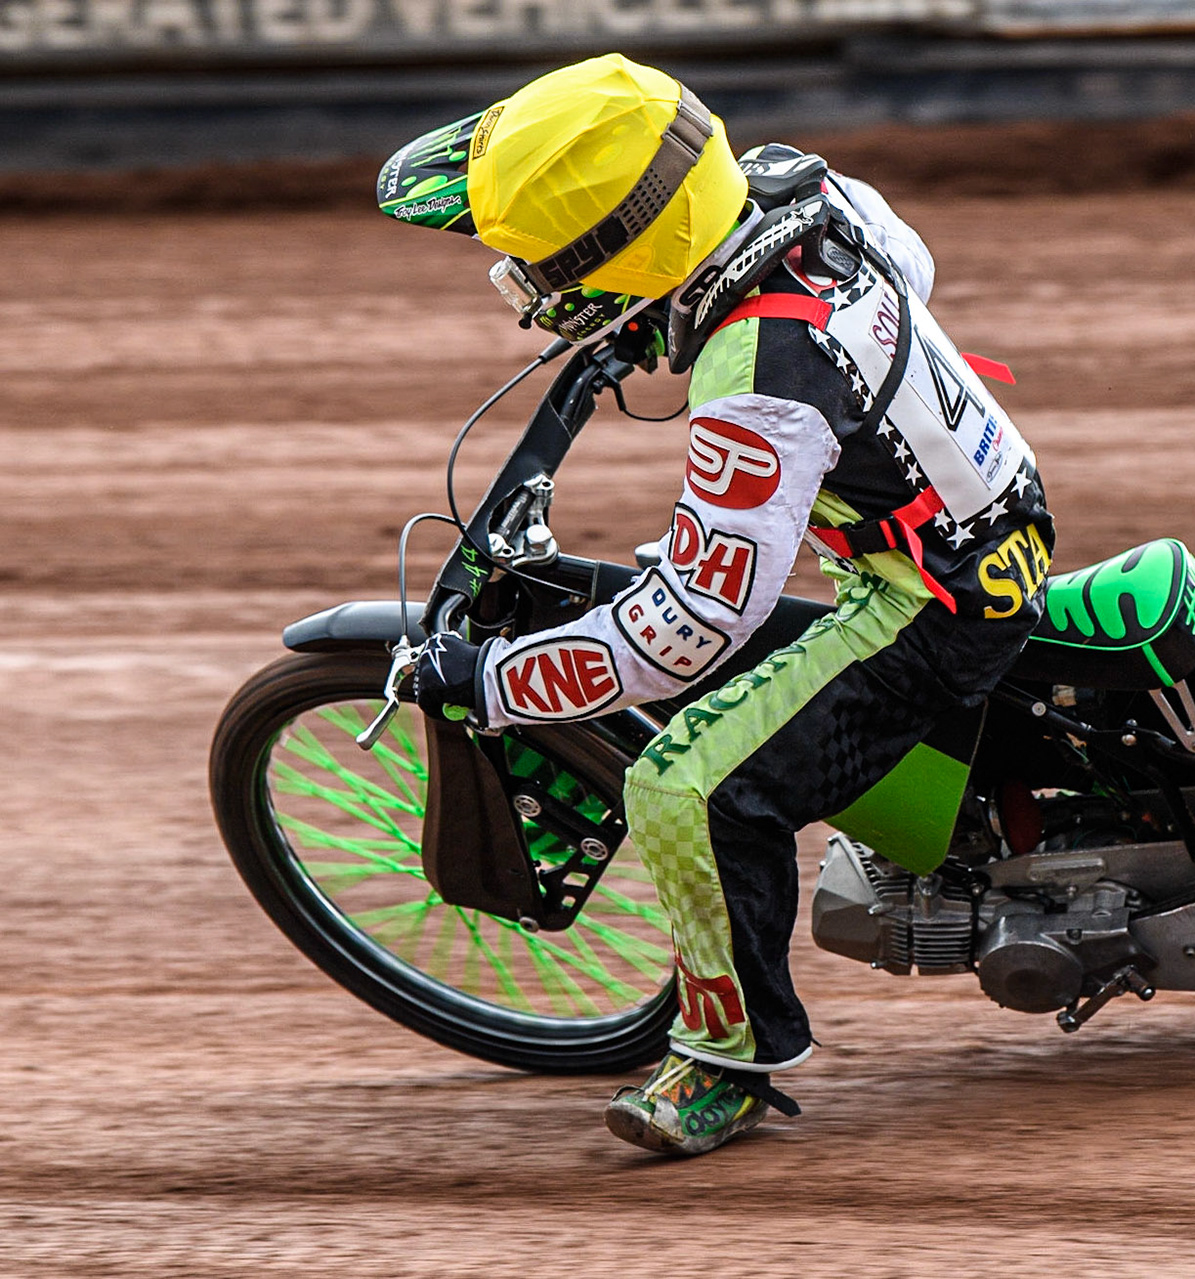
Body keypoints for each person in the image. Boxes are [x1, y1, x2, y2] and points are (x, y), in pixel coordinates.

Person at [382, 53, 1054, 1156]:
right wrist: (671, 319)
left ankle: (728, 1063)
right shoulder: (799, 192)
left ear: (630, 254)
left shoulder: (758, 381)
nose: (531, 288)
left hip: (929, 606)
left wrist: (493, 683)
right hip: (987, 514)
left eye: (541, 267)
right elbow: (911, 268)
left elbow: (691, 623)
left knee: (685, 786)